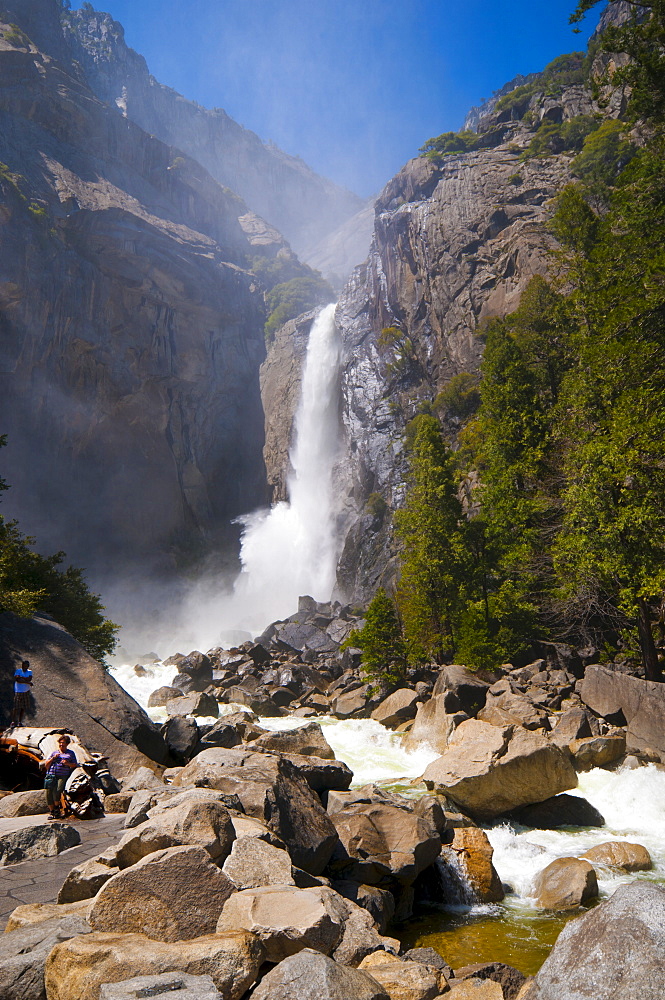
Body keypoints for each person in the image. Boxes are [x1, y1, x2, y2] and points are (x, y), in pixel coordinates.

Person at [42, 734, 78, 820]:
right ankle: (52, 812)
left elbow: (74, 764)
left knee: (57, 791)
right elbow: (46, 765)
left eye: (63, 743)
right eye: (60, 743)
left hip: (62, 775)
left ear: (67, 744)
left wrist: (67, 763)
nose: (61, 745)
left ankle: (57, 809)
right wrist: (53, 758)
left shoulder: (70, 753)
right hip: (51, 774)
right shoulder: (54, 752)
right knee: (48, 793)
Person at [10, 659, 33, 727]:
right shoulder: (18, 671)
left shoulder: (30, 672)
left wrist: (22, 677)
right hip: (18, 691)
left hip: (26, 691)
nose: (24, 667)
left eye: (25, 666)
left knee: (23, 707)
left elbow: (29, 678)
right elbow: (18, 680)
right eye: (23, 665)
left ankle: (20, 721)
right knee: (16, 707)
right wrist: (27, 682)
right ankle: (13, 722)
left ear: (27, 666)